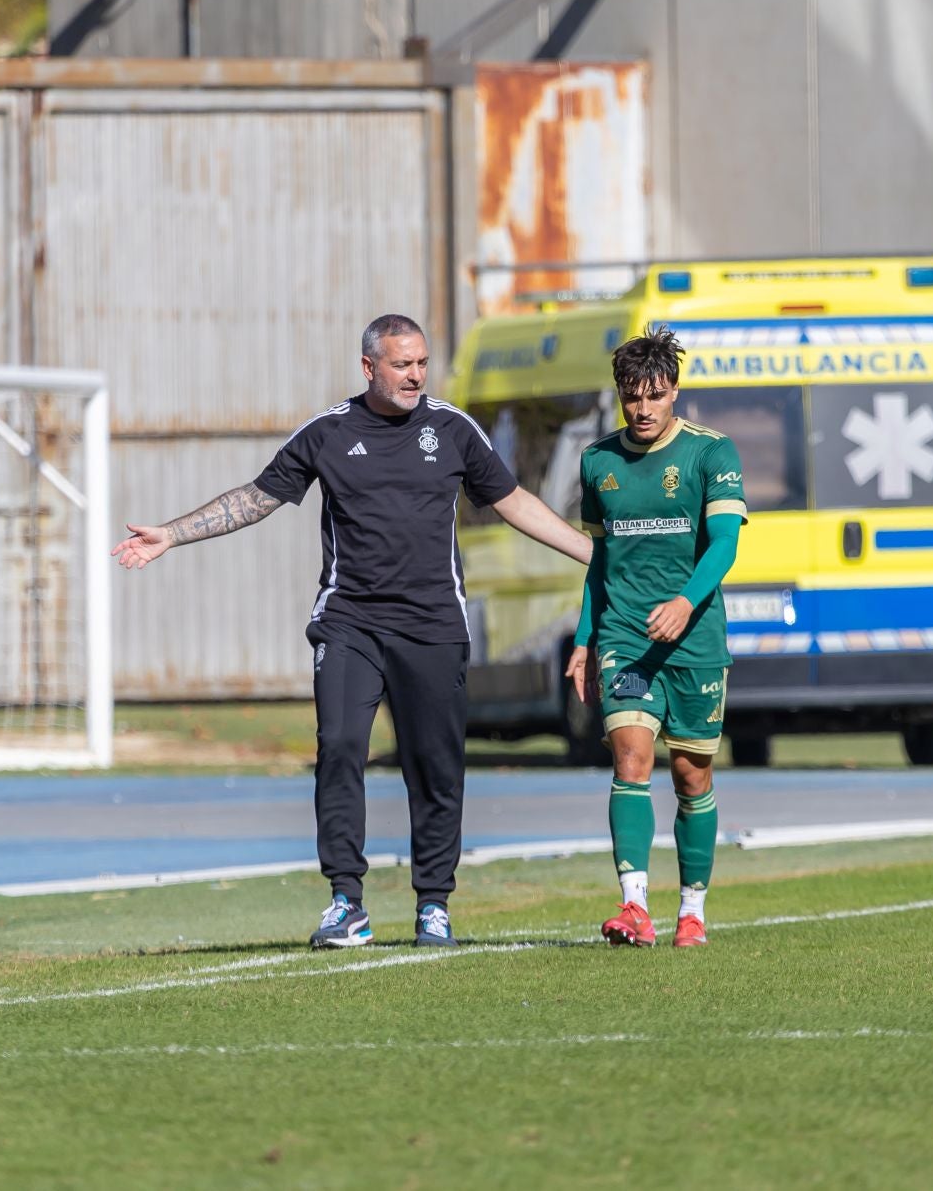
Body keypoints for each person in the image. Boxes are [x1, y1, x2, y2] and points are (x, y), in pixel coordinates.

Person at [112, 314, 593, 949]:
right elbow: (255, 498)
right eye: (402, 364)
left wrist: (594, 555)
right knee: (339, 746)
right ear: (369, 367)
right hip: (350, 623)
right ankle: (346, 901)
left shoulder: (452, 429)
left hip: (433, 626)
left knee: (436, 766)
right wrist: (172, 534)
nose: (415, 375)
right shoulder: (329, 432)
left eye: (422, 362)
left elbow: (514, 502)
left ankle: (433, 905)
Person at [564, 326, 746, 949]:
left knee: (691, 775)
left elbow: (725, 543)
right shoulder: (598, 462)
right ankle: (634, 904)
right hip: (625, 638)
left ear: (674, 392)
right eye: (632, 397)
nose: (643, 409)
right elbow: (598, 562)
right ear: (619, 395)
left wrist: (685, 601)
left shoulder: (711, 454)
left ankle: (691, 911)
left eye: (655, 395)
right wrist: (586, 639)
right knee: (630, 758)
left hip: (693, 642)